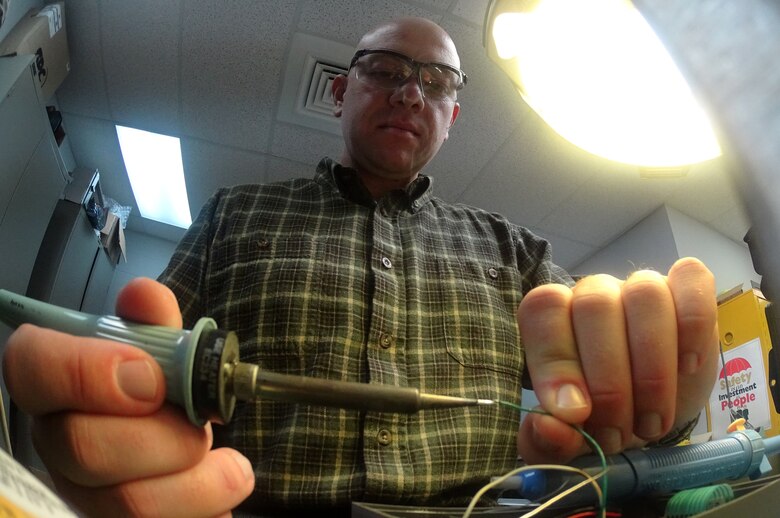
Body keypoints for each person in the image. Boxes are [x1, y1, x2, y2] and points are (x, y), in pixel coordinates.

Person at [1, 16, 718, 517]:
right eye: (387, 72)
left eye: (437, 83)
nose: (411, 92)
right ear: (342, 91)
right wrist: (107, 425)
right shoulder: (235, 213)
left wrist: (662, 401)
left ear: (453, 117)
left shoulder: (513, 250)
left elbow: (610, 388)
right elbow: (140, 367)